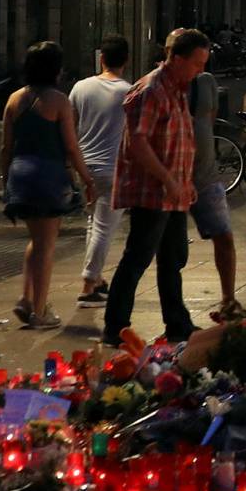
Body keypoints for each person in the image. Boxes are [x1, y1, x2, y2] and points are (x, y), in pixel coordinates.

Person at [102, 27, 211, 346]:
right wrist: (167, 178)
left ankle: (178, 323)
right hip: (153, 192)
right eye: (196, 63)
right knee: (138, 257)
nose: (200, 70)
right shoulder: (150, 90)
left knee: (173, 257)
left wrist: (185, 182)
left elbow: (179, 140)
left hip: (174, 192)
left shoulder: (177, 89)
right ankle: (115, 326)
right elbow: (138, 142)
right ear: (176, 59)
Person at [1, 42, 95, 330]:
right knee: (46, 246)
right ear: (56, 69)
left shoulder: (14, 99)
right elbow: (71, 146)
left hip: (20, 173)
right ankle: (40, 311)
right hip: (46, 175)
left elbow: (6, 147)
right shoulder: (58, 101)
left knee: (36, 240)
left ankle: (26, 298)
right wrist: (87, 179)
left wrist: (7, 182)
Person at [71, 35, 133, 305]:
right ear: (126, 61)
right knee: (104, 229)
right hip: (114, 169)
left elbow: (70, 128)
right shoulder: (128, 91)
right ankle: (88, 285)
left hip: (84, 167)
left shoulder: (80, 88)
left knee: (92, 224)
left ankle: (96, 279)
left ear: (101, 58)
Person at [187, 60, 245, 318]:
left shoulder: (205, 81)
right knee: (165, 250)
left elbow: (208, 120)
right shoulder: (160, 85)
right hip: (172, 179)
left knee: (224, 237)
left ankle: (228, 300)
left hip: (206, 177)